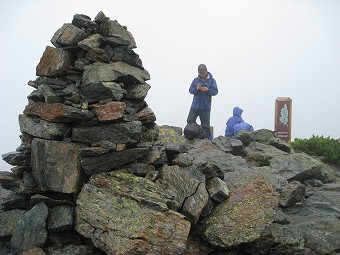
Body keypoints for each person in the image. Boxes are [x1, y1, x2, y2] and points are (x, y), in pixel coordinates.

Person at [187, 64, 218, 131]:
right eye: (200, 72)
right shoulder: (195, 80)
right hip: (195, 106)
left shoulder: (212, 81)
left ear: (206, 71)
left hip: (205, 107)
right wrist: (196, 88)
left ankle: (208, 139)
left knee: (206, 127)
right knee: (190, 121)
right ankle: (198, 132)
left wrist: (208, 90)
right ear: (198, 72)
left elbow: (215, 92)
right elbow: (190, 90)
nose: (202, 74)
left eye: (203, 72)